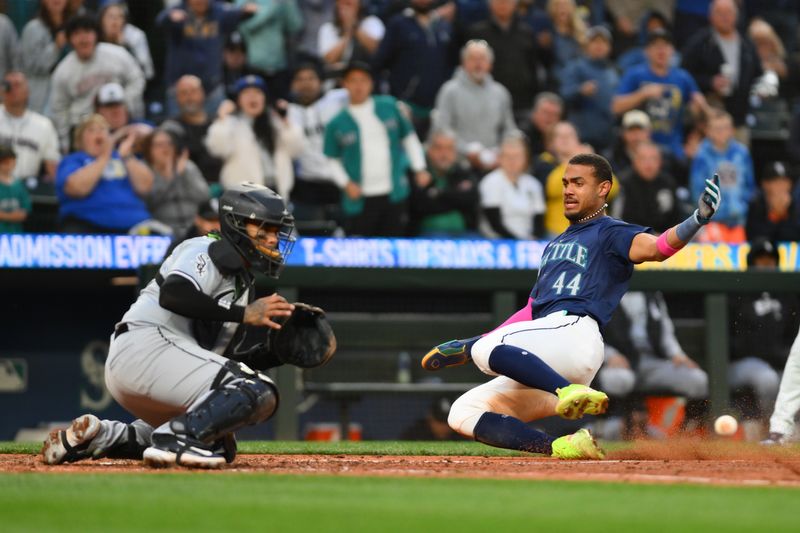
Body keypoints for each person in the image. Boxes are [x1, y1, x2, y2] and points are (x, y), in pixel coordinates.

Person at [420, 152, 722, 459]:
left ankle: (568, 392)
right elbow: (530, 312)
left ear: (603, 189)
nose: (568, 190)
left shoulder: (611, 231)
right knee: (463, 411)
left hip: (575, 332)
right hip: (550, 352)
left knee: (486, 348)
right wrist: (471, 345)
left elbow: (657, 249)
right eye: (565, 183)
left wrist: (696, 220)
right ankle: (561, 446)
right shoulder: (555, 243)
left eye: (578, 183)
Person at [41, 183, 312, 468]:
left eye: (275, 232)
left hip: (156, 365)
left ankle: (102, 436)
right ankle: (177, 438)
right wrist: (244, 314)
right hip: (144, 347)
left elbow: (218, 367)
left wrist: (273, 353)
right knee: (256, 390)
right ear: (238, 225)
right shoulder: (205, 247)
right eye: (264, 229)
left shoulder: (241, 284)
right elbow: (174, 293)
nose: (272, 240)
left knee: (218, 438)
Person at [324, 62, 427, 236]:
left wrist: (419, 168)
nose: (359, 86)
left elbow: (409, 137)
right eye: (353, 81)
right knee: (360, 250)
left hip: (394, 192)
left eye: (363, 80)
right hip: (360, 196)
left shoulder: (389, 106)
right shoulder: (336, 123)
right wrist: (345, 183)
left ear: (371, 83)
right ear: (345, 84)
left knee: (393, 245)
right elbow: (331, 158)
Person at [598, 291, 709, 439]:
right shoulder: (605, 288)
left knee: (697, 379)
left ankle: (688, 431)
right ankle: (612, 425)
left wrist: (677, 354)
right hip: (620, 362)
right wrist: (609, 355)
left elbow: (665, 328)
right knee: (620, 380)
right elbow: (591, 331)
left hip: (652, 361)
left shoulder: (652, 293)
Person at [730, 239, 799, 440]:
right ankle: (771, 426)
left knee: (784, 376)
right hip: (741, 363)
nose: (766, 266)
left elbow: (793, 336)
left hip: (778, 362)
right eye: (761, 261)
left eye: (770, 261)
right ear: (752, 263)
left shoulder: (787, 296)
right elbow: (729, 338)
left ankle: (784, 428)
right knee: (766, 378)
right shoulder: (737, 290)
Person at [48, 14, 145, 152]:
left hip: (120, 122)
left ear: (96, 35)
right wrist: (65, 142)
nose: (83, 39)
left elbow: (137, 78)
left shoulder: (117, 54)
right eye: (77, 34)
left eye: (87, 32)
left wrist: (126, 103)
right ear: (70, 40)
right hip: (84, 127)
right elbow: (59, 109)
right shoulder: (63, 71)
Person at [612, 29, 707, 160]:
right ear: (646, 51)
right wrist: (642, 94)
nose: (661, 50)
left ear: (672, 50)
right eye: (656, 46)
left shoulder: (683, 78)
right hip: (641, 151)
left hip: (674, 150)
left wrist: (695, 138)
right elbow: (616, 107)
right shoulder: (634, 74)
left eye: (665, 46)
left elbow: (703, 114)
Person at [205, 75, 304, 200]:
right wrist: (222, 119)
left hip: (277, 194)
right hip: (243, 197)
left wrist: (286, 122)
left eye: (257, 92)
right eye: (246, 93)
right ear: (238, 100)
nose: (252, 97)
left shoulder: (276, 123)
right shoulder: (230, 124)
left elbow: (296, 150)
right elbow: (218, 149)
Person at [157, 0, 258, 117]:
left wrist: (246, 11)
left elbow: (239, 13)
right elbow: (160, 20)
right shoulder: (178, 10)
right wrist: (169, 17)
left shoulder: (218, 11)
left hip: (211, 89)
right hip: (182, 91)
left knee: (220, 129)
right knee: (179, 130)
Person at [55, 114, 153, 234]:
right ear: (80, 140)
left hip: (134, 225)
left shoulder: (122, 157)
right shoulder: (74, 160)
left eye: (103, 129)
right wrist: (104, 157)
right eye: (91, 130)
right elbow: (76, 188)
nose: (99, 133)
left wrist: (127, 156)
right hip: (88, 226)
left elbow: (146, 186)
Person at [432, 40, 518, 173]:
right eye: (472, 58)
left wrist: (502, 151)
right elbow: (442, 128)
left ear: (490, 64)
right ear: (463, 63)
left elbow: (509, 128)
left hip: (494, 162)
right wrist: (466, 150)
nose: (478, 63)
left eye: (482, 59)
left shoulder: (501, 93)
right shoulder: (449, 90)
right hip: (460, 163)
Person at [373, 0, 453, 138]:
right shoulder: (398, 24)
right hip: (404, 107)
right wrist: (388, 101)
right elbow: (378, 64)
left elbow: (451, 64)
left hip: (437, 110)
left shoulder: (444, 26)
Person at [680, 0, 763, 132]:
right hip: (708, 121)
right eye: (719, 13)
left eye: (728, 12)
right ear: (710, 16)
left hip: (739, 120)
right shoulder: (700, 43)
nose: (725, 17)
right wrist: (709, 82)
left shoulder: (747, 44)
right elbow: (683, 77)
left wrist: (761, 89)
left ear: (737, 15)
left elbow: (758, 75)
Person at [286, 61, 348, 225]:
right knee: (311, 234)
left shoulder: (337, 99)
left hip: (341, 181)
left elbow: (362, 92)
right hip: (306, 185)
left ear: (321, 82)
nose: (306, 83)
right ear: (292, 84)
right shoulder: (286, 112)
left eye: (311, 78)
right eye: (300, 79)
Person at [465, 0, 547, 122]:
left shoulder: (526, 32)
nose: (503, 4)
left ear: (515, 4)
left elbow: (534, 67)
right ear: (490, 4)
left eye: (507, 1)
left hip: (523, 103)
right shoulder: (478, 32)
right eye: (498, 1)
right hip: (487, 102)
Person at [689, 109, 755, 243]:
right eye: (717, 128)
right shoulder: (701, 155)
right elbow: (696, 191)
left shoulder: (742, 153)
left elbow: (750, 185)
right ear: (708, 131)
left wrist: (742, 205)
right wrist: (707, 212)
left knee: (737, 261)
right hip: (712, 222)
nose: (721, 132)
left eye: (725, 128)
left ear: (732, 130)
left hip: (737, 221)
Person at [559, 25, 618, 152]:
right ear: (587, 45)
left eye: (603, 42)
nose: (599, 45)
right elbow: (564, 95)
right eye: (595, 41)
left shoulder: (614, 71)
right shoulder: (576, 67)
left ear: (609, 47)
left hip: (607, 139)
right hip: (582, 137)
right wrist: (580, 91)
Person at [142, 128, 210, 237]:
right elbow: (151, 203)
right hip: (160, 230)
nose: (165, 148)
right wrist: (171, 177)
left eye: (169, 143)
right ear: (149, 149)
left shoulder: (187, 167)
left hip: (193, 227)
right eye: (159, 144)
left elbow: (204, 196)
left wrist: (186, 175)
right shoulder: (145, 170)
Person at [410, 128, 478, 236]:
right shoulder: (418, 172)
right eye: (438, 148)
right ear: (429, 150)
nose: (444, 154)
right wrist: (454, 199)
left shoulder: (463, 171)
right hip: (423, 236)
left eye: (449, 148)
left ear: (455, 152)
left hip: (463, 235)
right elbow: (419, 206)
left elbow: (470, 200)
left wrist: (437, 193)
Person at [160, 75, 224, 187]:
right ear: (176, 98)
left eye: (193, 91)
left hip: (221, 189)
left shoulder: (218, 125)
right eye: (184, 93)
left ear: (203, 94)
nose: (189, 97)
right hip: (186, 191)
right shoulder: (169, 129)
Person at [16, 0, 77, 114]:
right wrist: (56, 47)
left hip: (69, 94)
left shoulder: (74, 26)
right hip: (41, 98)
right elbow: (32, 66)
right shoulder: (33, 28)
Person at [478, 135, 545, 239]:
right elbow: (494, 222)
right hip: (497, 241)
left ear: (525, 159)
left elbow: (539, 218)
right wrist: (516, 242)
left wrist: (534, 239)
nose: (512, 161)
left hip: (528, 242)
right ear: (500, 158)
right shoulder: (490, 181)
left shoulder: (533, 184)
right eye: (507, 156)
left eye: (517, 156)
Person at [234, 0, 303, 101]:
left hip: (280, 67)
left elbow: (295, 27)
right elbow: (245, 27)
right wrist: (273, 6)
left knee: (282, 107)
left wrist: (289, 4)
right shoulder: (243, 1)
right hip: (255, 67)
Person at [0, 71, 61, 182]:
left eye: (17, 85)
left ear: (27, 91)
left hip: (27, 189)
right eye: (8, 85)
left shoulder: (44, 125)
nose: (12, 89)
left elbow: (52, 165)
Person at [613, 141, 683, 233]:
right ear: (635, 161)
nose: (649, 164)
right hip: (631, 239)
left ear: (660, 162)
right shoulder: (623, 183)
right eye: (643, 159)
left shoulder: (668, 183)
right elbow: (617, 220)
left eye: (653, 159)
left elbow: (676, 219)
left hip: (663, 239)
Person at [317, 0, 385, 73]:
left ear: (359, 5)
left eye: (349, 4)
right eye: (342, 4)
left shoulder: (372, 22)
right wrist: (347, 34)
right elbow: (328, 60)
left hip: (368, 74)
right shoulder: (328, 28)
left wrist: (355, 28)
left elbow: (379, 52)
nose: (345, 8)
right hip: (337, 76)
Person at [98, 0, 155, 81]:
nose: (115, 21)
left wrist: (124, 46)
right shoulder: (93, 36)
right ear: (101, 20)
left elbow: (147, 72)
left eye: (120, 16)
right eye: (110, 16)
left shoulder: (135, 36)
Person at [746, 161, 800, 242]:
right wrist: (774, 216)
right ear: (765, 184)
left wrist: (782, 214)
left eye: (784, 181)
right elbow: (754, 237)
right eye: (775, 182)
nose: (781, 187)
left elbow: (794, 236)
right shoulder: (756, 204)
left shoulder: (794, 204)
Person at [524, 92, 563, 160]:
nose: (549, 118)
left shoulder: (563, 135)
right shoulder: (523, 134)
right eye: (545, 112)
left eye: (554, 114)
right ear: (534, 113)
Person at [0, 145, 30, 233]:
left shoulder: (19, 185)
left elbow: (24, 211)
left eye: (11, 161)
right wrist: (13, 216)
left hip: (15, 235)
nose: (9, 165)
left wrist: (5, 215)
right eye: (4, 162)